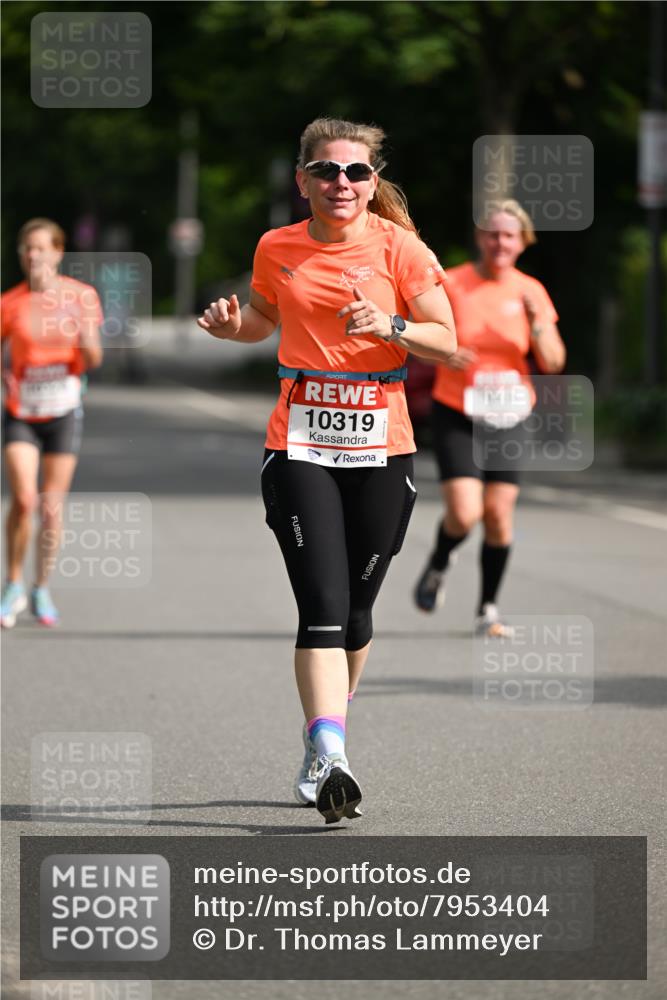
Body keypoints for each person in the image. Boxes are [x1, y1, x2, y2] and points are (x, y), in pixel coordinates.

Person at [198, 117, 456, 823]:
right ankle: (331, 753)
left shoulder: (401, 249)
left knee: (356, 613)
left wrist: (391, 326)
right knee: (321, 605)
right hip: (300, 445)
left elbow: (446, 341)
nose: (341, 182)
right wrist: (232, 328)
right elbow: (262, 317)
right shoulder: (276, 246)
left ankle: (324, 733)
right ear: (302, 180)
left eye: (355, 172)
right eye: (326, 170)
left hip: (383, 447)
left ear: (372, 183)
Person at [414, 199, 566, 635]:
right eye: (493, 234)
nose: (500, 242)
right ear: (480, 237)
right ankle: (440, 560)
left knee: (498, 515)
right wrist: (446, 352)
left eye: (509, 236)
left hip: (510, 413)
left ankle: (488, 610)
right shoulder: (453, 284)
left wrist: (538, 325)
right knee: (465, 514)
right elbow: (421, 341)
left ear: (523, 242)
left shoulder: (531, 291)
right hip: (457, 409)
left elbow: (554, 362)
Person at [1, 218, 103, 628]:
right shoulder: (10, 302)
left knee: (50, 507)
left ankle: (41, 586)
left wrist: (84, 336)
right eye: (27, 248)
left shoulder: (81, 297)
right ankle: (13, 584)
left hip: (62, 409)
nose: (33, 255)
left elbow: (94, 359)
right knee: (25, 499)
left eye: (41, 248)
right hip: (21, 411)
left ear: (59, 252)